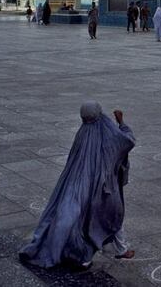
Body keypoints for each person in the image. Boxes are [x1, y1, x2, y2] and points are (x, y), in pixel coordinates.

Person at [19, 103, 136, 269]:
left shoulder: (82, 134)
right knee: (110, 215)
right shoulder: (107, 133)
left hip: (76, 185)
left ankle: (110, 250)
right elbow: (127, 141)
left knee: (80, 217)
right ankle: (88, 255)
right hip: (102, 188)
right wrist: (122, 122)